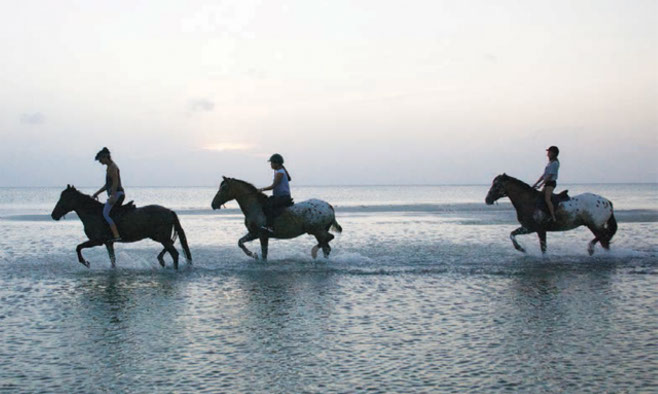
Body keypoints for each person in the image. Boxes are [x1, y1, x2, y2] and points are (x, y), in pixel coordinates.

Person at [92, 147, 125, 241]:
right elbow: (107, 185)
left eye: (100, 160)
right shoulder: (109, 167)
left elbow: (115, 183)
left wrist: (113, 196)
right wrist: (96, 193)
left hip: (118, 194)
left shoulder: (113, 167)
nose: (100, 162)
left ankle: (116, 236)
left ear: (105, 157)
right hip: (116, 193)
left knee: (105, 214)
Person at [257, 153, 293, 234]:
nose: (271, 165)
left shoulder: (280, 172)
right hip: (279, 196)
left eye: (272, 163)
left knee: (267, 207)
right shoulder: (280, 170)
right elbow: (289, 179)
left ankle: (270, 227)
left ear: (277, 163)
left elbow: (273, 186)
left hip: (282, 197)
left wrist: (261, 189)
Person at [532, 146, 560, 222]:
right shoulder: (549, 163)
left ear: (553, 153)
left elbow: (549, 176)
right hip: (547, 183)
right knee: (540, 198)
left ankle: (553, 217)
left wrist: (541, 184)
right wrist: (536, 183)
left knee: (547, 199)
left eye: (549, 152)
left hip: (551, 183)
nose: (547, 154)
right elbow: (544, 175)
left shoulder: (555, 163)